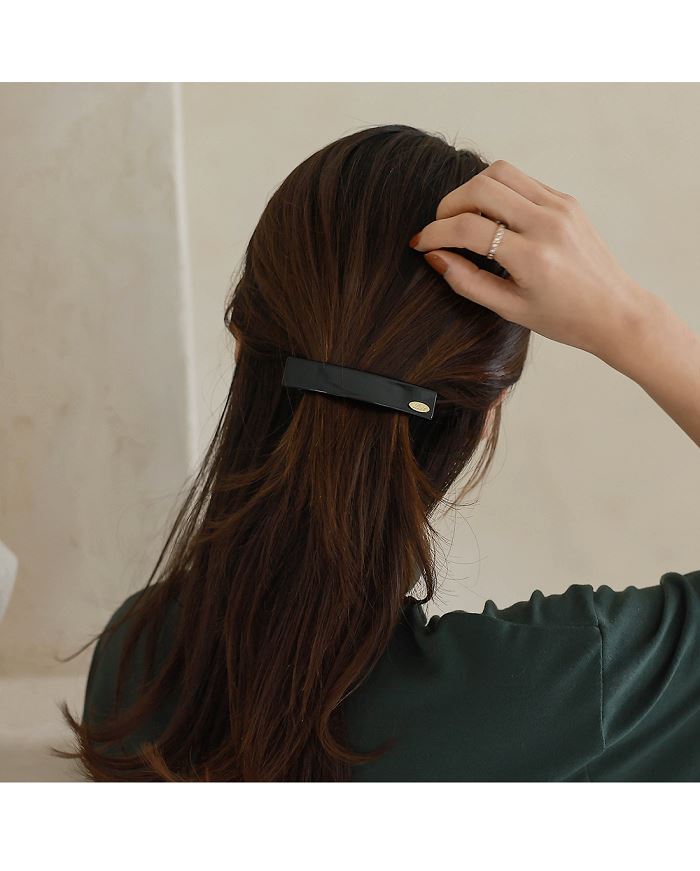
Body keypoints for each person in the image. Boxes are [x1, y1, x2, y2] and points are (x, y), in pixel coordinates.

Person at [59, 124, 700, 781]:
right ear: (488, 412)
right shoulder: (558, 689)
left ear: (240, 345)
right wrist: (630, 320)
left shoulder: (135, 662)